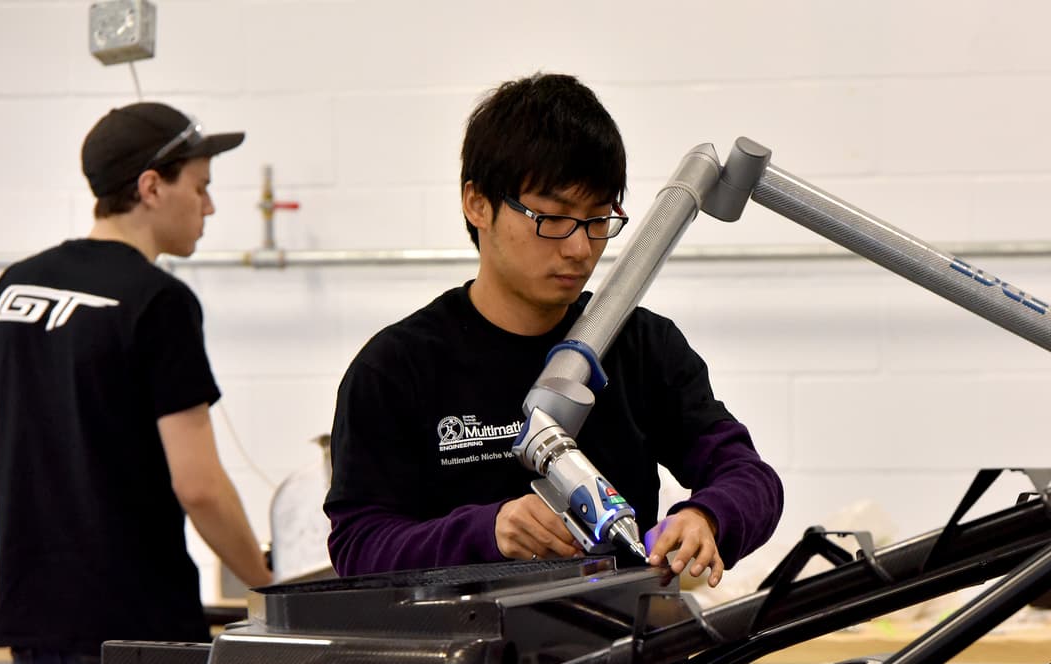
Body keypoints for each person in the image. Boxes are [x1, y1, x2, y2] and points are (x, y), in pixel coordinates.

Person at [326, 73, 783, 588]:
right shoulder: (397, 368)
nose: (579, 249)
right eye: (554, 218)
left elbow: (752, 479)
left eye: (596, 219)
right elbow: (359, 547)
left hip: (624, 654)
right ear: (477, 203)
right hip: (463, 662)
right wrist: (488, 532)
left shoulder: (641, 346)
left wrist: (708, 518)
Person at [0, 102, 272, 664]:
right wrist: (265, 586)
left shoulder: (16, 283)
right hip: (136, 627)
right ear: (152, 186)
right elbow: (199, 484)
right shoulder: (159, 301)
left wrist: (60, 532)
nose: (209, 206)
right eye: (200, 187)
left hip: (36, 613)